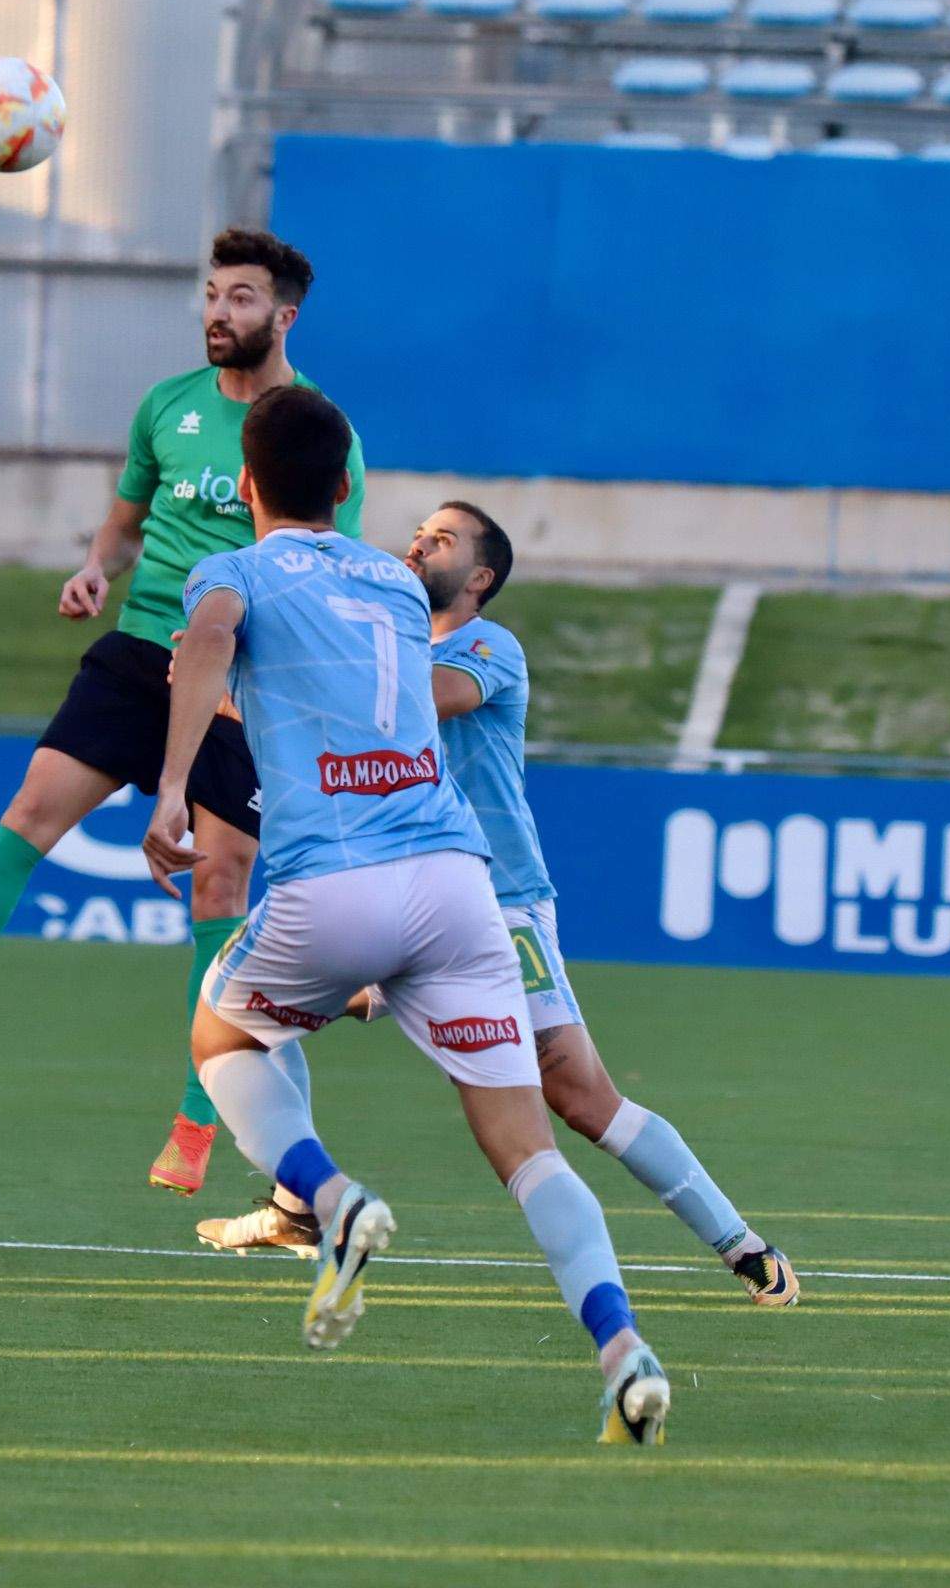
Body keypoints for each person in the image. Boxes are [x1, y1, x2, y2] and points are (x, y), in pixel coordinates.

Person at [147, 386, 672, 1444]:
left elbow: (208, 637)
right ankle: (625, 1349)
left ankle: (326, 1196)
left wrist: (170, 787)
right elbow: (348, 690)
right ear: (347, 489)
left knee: (221, 1030)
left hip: (331, 882)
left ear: (246, 486)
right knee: (529, 1151)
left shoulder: (233, 572)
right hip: (456, 889)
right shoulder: (393, 583)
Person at [0, 229, 363, 1200]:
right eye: (211, 294)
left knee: (219, 888)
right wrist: (95, 567)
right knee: (31, 809)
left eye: (241, 299)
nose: (218, 312)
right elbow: (125, 526)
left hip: (239, 684)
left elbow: (324, 556)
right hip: (137, 654)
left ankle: (198, 1118)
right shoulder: (167, 408)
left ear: (283, 316)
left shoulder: (318, 429)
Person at [196, 502, 800, 1307]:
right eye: (419, 530)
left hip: (497, 903)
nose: (418, 542)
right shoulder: (379, 641)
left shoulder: (485, 649)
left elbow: (419, 700)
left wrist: (272, 671)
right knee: (256, 1019)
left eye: (442, 539)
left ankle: (744, 1246)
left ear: (479, 578)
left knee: (581, 1095)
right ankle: (299, 1203)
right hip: (403, 890)